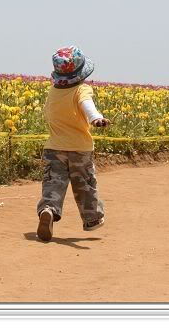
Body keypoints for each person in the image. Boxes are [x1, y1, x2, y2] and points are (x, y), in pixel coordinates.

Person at [36, 46, 109, 242]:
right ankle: (92, 219)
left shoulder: (53, 92)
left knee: (53, 183)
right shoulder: (81, 89)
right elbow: (87, 104)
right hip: (79, 149)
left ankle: (48, 210)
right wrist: (95, 118)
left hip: (54, 148)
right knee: (85, 184)